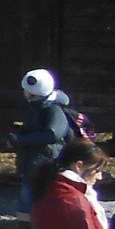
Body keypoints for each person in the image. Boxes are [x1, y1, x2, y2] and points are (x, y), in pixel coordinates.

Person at [14, 68, 76, 212]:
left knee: (39, 194)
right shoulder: (37, 107)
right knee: (28, 194)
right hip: (34, 159)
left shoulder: (54, 109)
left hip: (47, 160)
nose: (24, 92)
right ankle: (26, 228)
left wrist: (22, 139)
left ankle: (37, 226)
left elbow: (53, 134)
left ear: (33, 93)